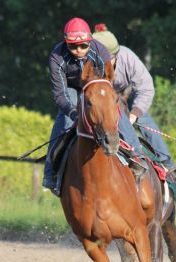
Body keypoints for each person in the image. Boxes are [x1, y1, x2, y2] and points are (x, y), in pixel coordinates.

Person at [43, 17, 149, 193]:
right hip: (72, 89)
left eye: (83, 46)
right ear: (65, 43)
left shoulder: (101, 52)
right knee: (65, 119)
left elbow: (106, 83)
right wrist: (73, 113)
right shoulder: (56, 57)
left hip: (94, 86)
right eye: (73, 46)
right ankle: (50, 173)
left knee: (114, 110)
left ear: (90, 41)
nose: (78, 50)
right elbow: (60, 95)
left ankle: (137, 156)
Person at [92, 23, 176, 171]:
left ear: (116, 55)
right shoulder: (88, 63)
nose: (103, 65)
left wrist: (134, 114)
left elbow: (146, 88)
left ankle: (165, 160)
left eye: (107, 60)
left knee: (143, 118)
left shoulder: (127, 56)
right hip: (99, 100)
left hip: (123, 96)